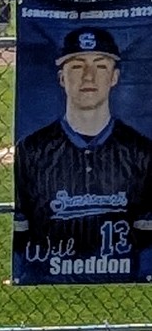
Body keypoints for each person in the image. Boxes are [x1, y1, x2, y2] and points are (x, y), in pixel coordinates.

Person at [13, 27, 152, 283]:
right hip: (48, 266)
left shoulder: (141, 151)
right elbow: (21, 236)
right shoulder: (31, 149)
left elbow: (146, 242)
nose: (89, 76)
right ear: (61, 78)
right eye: (76, 66)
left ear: (115, 77)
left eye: (100, 66)